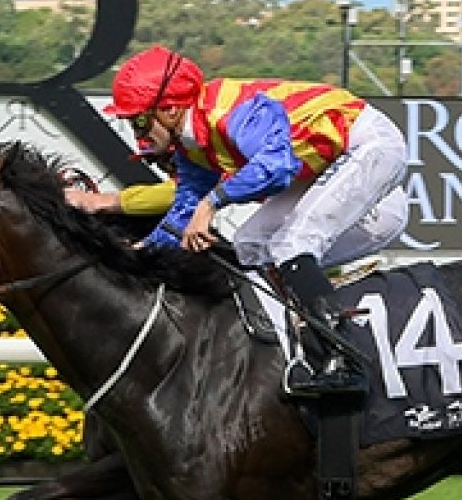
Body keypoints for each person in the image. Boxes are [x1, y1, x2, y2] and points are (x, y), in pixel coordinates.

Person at [100, 46, 409, 397]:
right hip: (326, 166)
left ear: (169, 110)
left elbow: (277, 169)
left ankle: (343, 358)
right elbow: (184, 208)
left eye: (138, 120)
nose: (138, 134)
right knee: (249, 246)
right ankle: (283, 354)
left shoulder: (228, 113)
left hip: (370, 149)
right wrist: (140, 253)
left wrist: (213, 203)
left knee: (293, 244)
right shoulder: (191, 142)